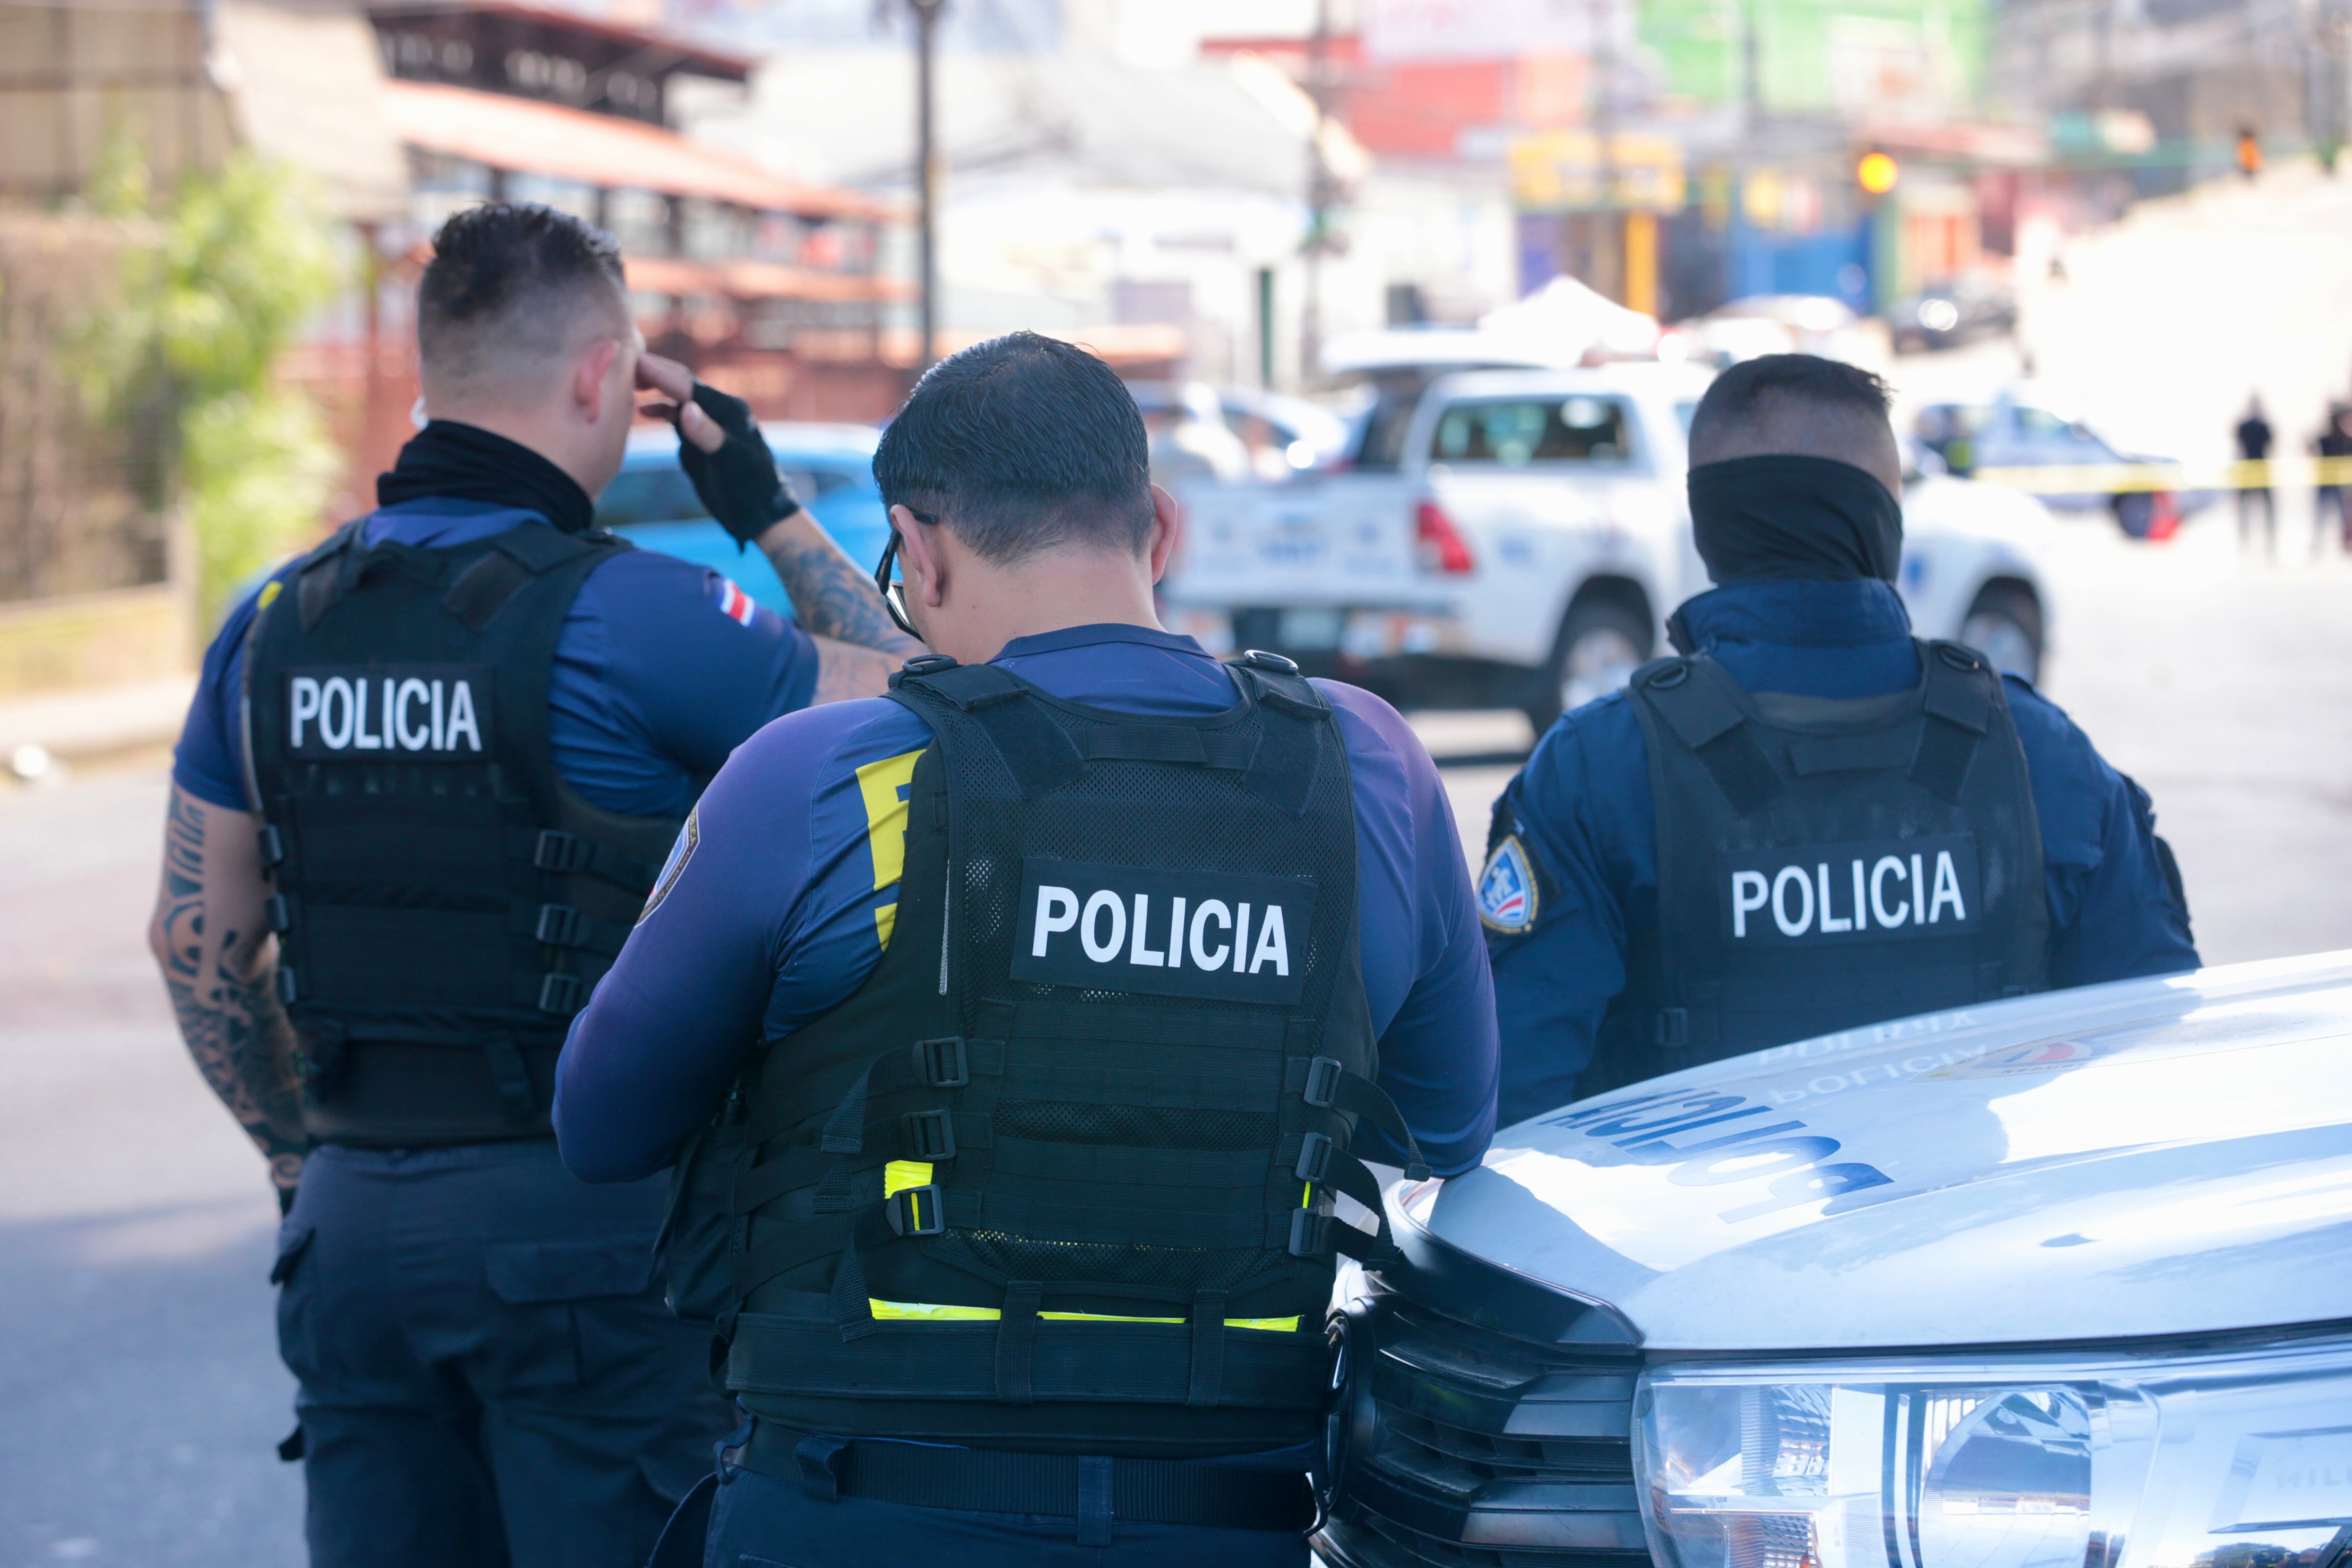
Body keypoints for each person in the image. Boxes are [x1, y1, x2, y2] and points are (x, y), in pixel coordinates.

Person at [553, 331, 1499, 1567]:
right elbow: (1448, 1125)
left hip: (865, 1509)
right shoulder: (1365, 767)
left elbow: (604, 1123)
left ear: (921, 550)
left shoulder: (820, 778)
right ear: (1161, 525)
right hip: (1228, 1513)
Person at [145, 202, 920, 1568]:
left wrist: (296, 1154)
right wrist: (763, 503)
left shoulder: (268, 624)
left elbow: (196, 941)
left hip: (348, 1235)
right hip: (579, 1238)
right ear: (599, 378)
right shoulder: (643, 615)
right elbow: (920, 696)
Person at [1482, 354, 2199, 1126]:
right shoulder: (2039, 752)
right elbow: (2158, 1061)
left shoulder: (1597, 769)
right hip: (1980, 1236)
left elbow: (1510, 1108)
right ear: (1880, 522)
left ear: (1712, 525)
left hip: (1690, 1246)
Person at [2237, 394, 2276, 560]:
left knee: (2265, 507)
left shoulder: (2248, 426)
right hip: (2254, 467)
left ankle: (2267, 539)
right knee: (2248, 507)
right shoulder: (2257, 426)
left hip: (2256, 467)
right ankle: (2247, 539)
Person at [2312, 403, 2351, 559]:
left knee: (2343, 516)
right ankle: (2318, 543)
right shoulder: (2325, 438)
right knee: (2322, 515)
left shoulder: (2344, 439)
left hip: (2338, 484)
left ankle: (2344, 543)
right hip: (2325, 483)